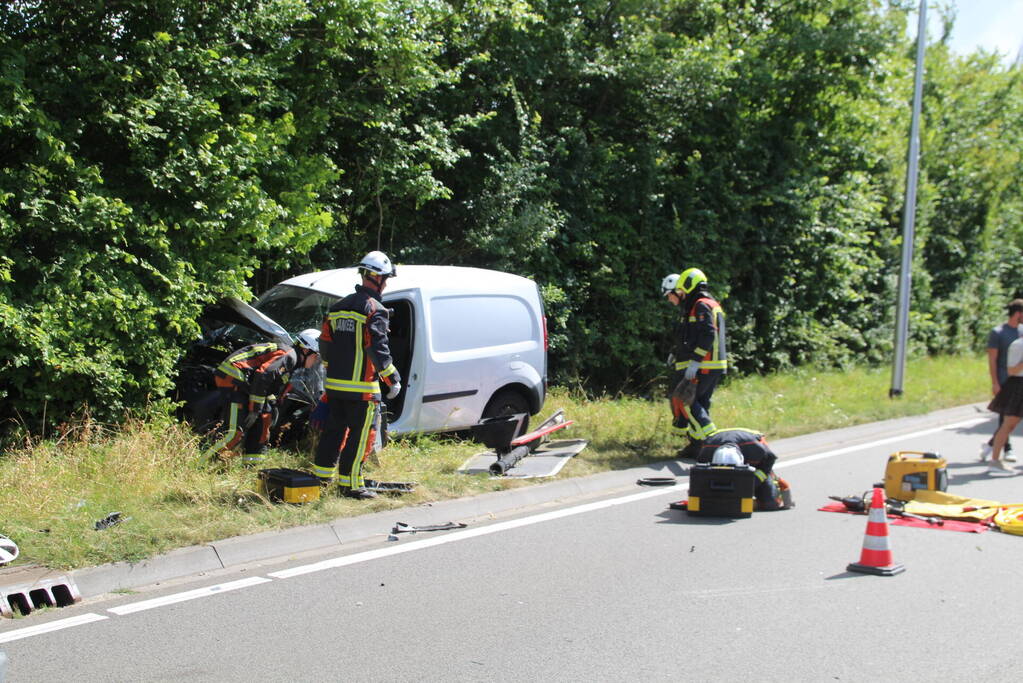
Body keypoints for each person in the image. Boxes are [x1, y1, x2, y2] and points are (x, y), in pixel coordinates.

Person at [312, 251, 402, 499]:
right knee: (360, 437)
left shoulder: (338, 307)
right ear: (378, 278)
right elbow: (377, 347)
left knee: (334, 432)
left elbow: (325, 344)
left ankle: (321, 479)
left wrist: (333, 368)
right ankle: (350, 486)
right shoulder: (376, 309)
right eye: (386, 279)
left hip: (335, 387)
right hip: (362, 390)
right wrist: (391, 378)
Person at [202, 329, 321, 465]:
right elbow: (263, 375)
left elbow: (269, 384)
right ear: (306, 350)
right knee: (234, 432)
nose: (316, 359)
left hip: (244, 384)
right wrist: (255, 408)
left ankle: (251, 464)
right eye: (316, 355)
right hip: (234, 379)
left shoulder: (292, 360)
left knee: (264, 418)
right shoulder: (290, 356)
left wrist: (265, 406)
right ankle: (200, 464)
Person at [662, 267, 727, 459]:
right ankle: (698, 446)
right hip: (712, 365)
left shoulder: (700, 305)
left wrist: (695, 362)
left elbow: (707, 334)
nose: (681, 292)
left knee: (686, 400)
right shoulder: (710, 303)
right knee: (700, 404)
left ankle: (712, 442)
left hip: (705, 364)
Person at [696, 427, 791, 510]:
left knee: (770, 503)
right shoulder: (706, 451)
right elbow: (700, 476)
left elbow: (770, 459)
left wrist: (754, 482)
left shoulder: (755, 448)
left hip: (751, 444)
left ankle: (775, 482)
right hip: (718, 438)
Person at [980, 299, 1023, 463]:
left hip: (1018, 380)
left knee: (1009, 421)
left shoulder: (1020, 331)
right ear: (1018, 314)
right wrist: (995, 382)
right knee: (1006, 420)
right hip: (1007, 381)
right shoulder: (999, 332)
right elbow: (993, 359)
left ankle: (992, 447)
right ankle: (1004, 449)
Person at [984, 333, 1023, 473]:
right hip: (1018, 385)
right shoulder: (1018, 345)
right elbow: (1011, 370)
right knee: (1009, 425)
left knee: (1009, 425)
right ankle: (994, 461)